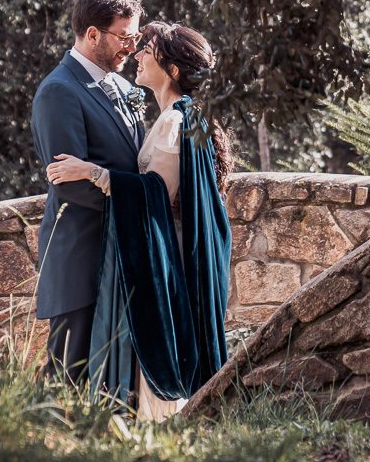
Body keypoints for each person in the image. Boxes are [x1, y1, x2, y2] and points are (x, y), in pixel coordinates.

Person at [46, 21, 233, 420]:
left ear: (173, 70)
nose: (138, 55)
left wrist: (92, 172)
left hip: (165, 258)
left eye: (147, 50)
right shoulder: (182, 117)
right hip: (166, 251)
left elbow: (155, 195)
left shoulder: (177, 120)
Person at [30, 0, 144, 385]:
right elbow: (70, 185)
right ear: (93, 34)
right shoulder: (58, 92)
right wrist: (138, 205)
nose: (131, 47)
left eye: (136, 38)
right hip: (81, 255)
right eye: (124, 37)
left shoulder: (129, 89)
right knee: (69, 374)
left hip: (124, 255)